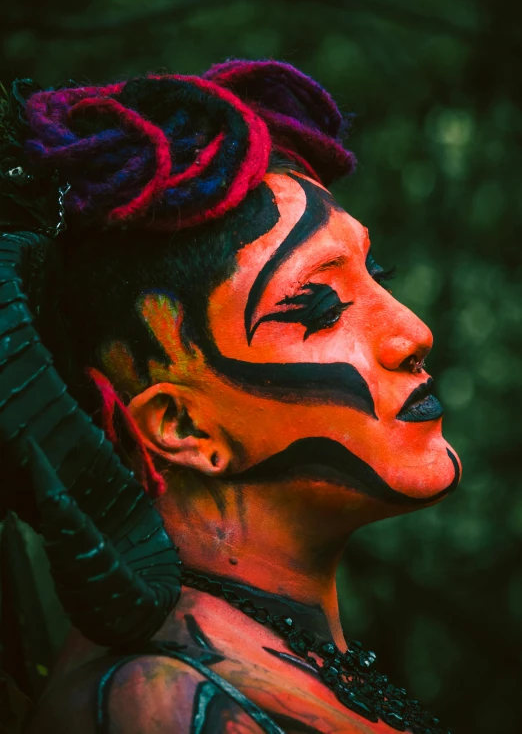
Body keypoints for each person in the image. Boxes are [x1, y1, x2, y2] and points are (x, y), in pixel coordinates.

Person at [0, 61, 460, 733]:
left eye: (376, 274)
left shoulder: (270, 671)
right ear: (183, 424)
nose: (412, 332)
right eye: (321, 303)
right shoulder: (164, 708)